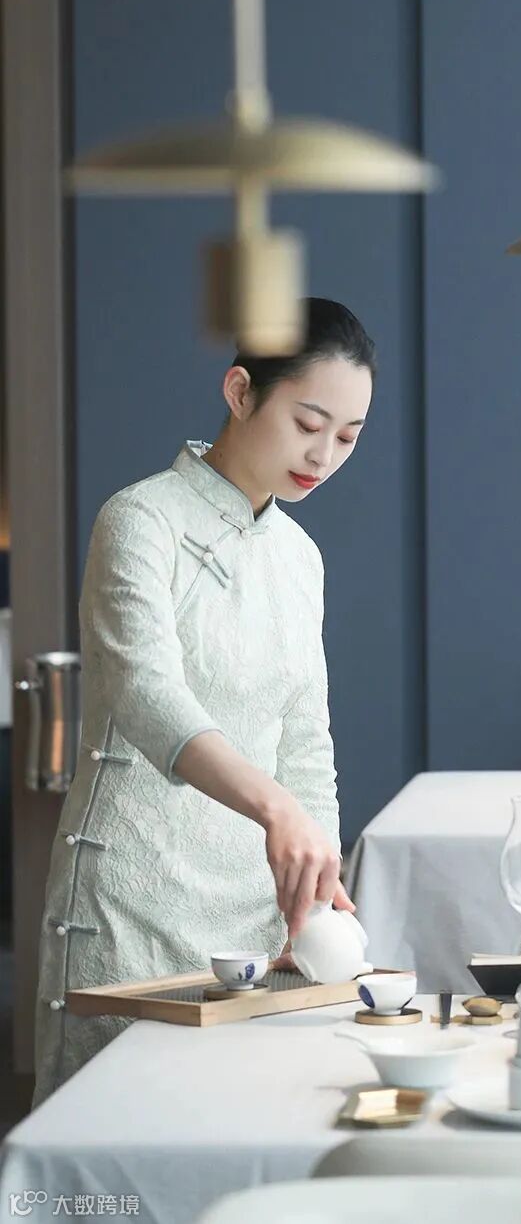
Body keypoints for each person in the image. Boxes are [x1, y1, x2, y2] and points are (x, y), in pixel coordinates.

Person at [35, 298, 375, 1099]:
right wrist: (276, 811)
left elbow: (306, 738)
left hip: (256, 910)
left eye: (348, 437)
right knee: (119, 1129)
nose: (322, 455)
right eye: (308, 423)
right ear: (240, 391)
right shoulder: (140, 519)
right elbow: (145, 694)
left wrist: (316, 890)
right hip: (131, 901)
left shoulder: (300, 557)